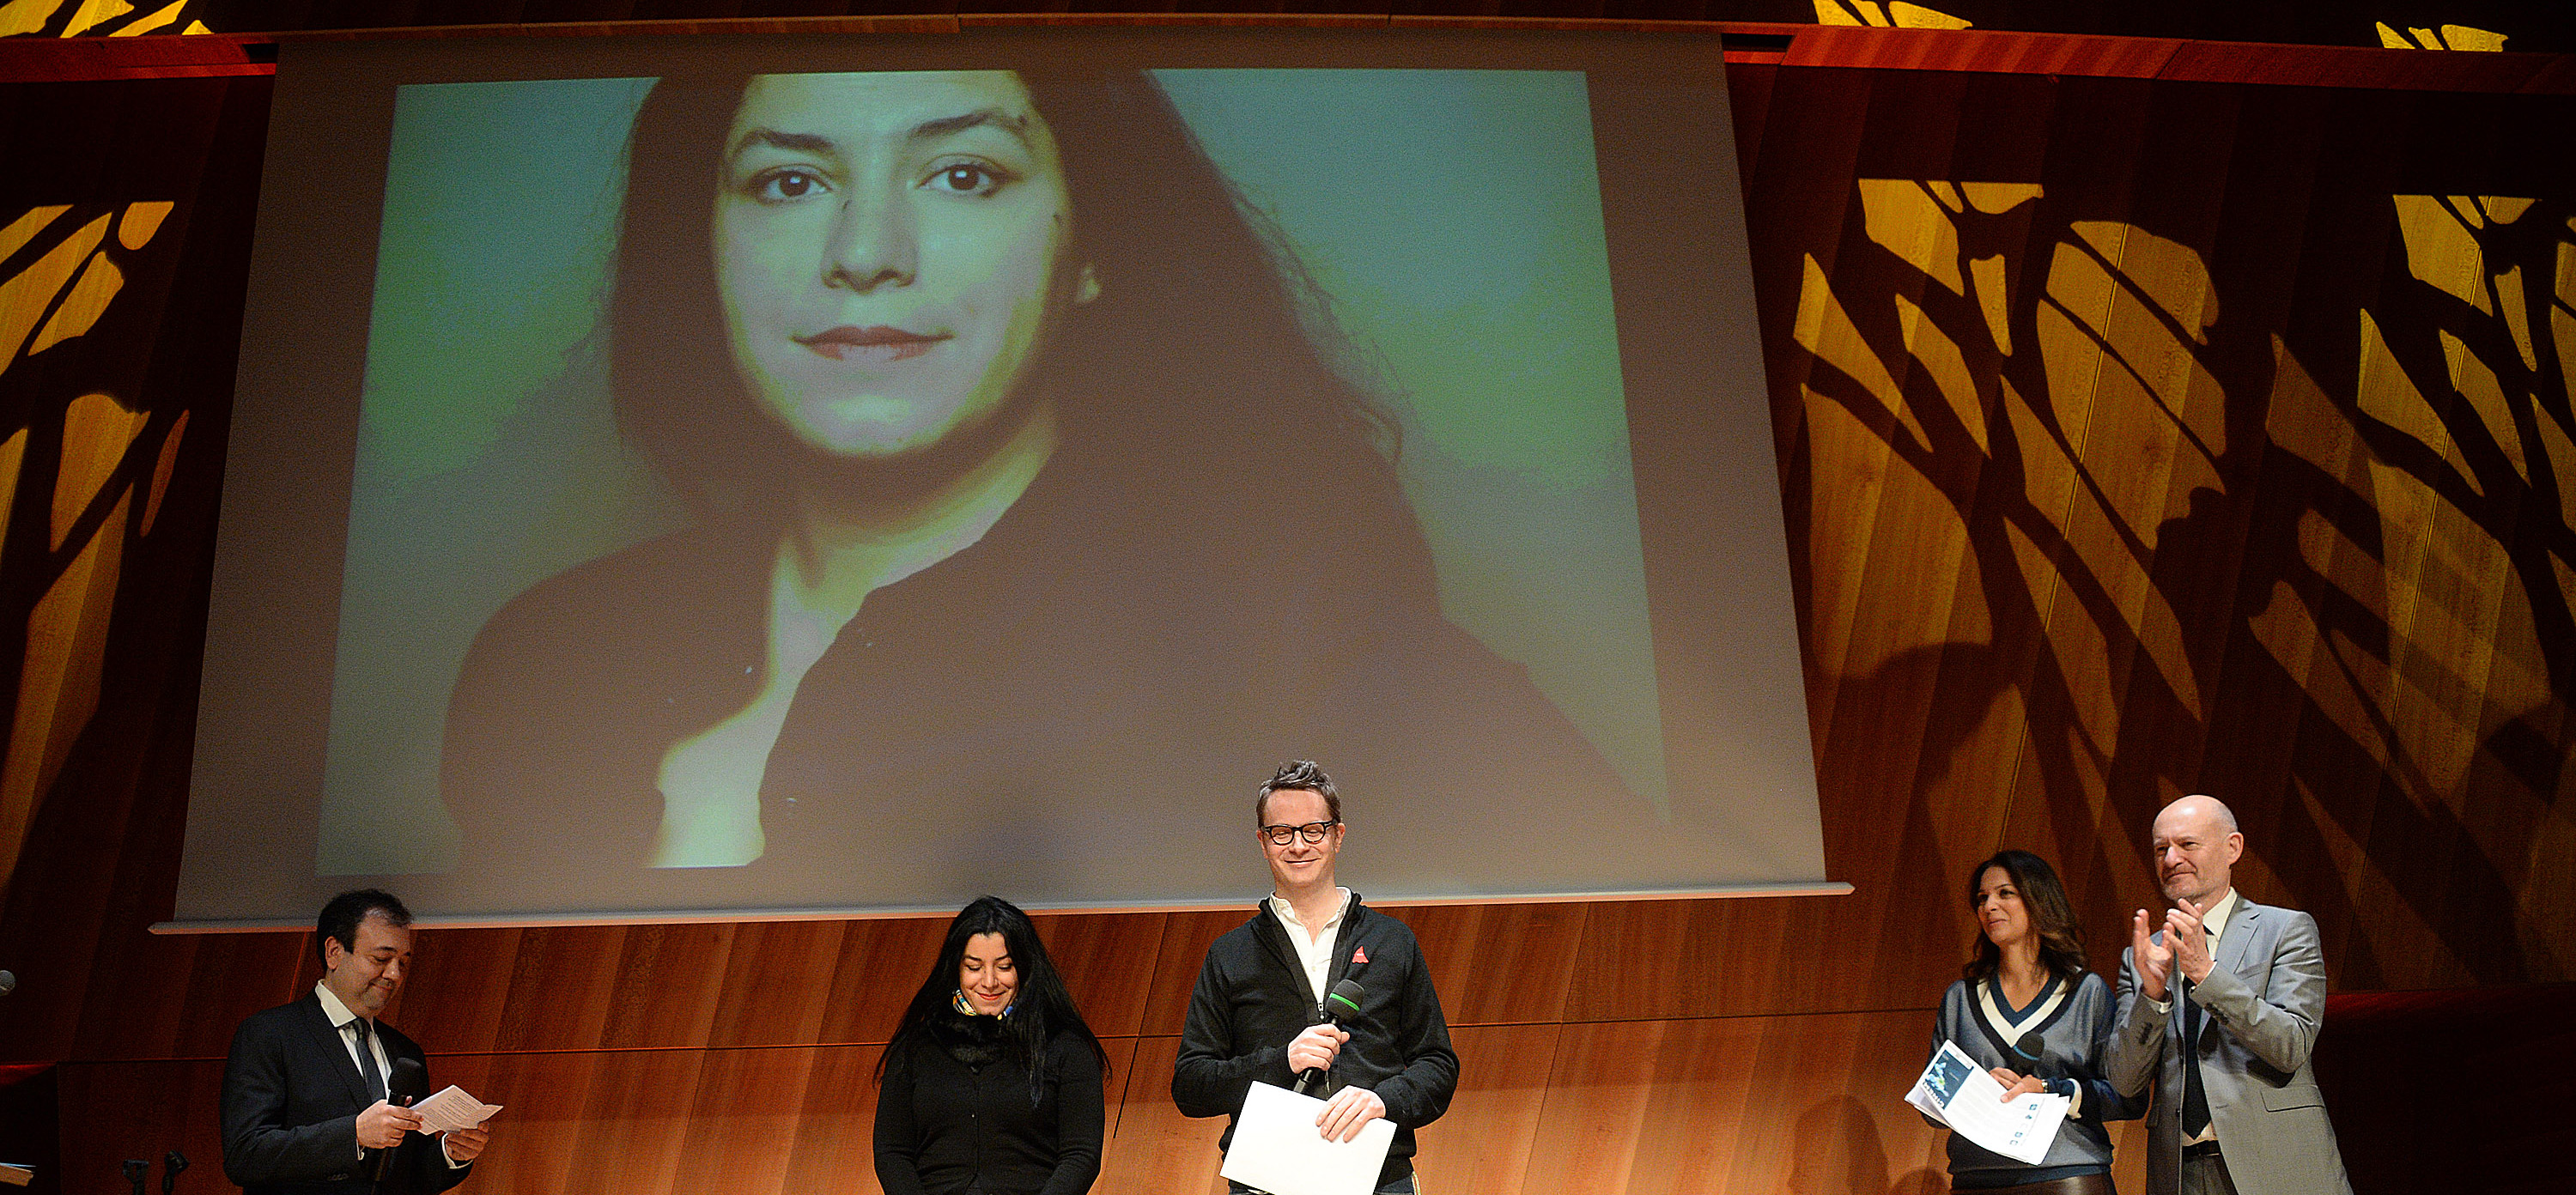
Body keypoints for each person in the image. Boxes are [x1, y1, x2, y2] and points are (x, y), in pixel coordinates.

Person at [440, 66, 1668, 909]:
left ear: (1091, 248)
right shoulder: (545, 663)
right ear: (699, 249)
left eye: (964, 175)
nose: (865, 254)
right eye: (788, 181)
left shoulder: (1311, 660)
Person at [1172, 761, 1457, 1194]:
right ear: (1263, 843)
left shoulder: (1392, 942)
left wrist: (1383, 1101)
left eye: (1314, 830)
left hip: (1379, 1179)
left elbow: (1437, 1065)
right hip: (1267, 1181)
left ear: (1338, 836)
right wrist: (1279, 1061)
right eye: (1281, 832)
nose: (1298, 845)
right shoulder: (1229, 954)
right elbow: (1191, 1086)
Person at [2107, 795, 2352, 1195]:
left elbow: (2291, 1044)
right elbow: (2124, 1081)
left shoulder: (2285, 930)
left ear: (2232, 848)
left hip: (2276, 1165)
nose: (2171, 859)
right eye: (2161, 850)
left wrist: (2206, 974)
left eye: (2187, 845)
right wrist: (2152, 998)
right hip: (2181, 1172)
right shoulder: (2142, 956)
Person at [219, 889, 490, 1194]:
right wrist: (354, 1135)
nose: (394, 974)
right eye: (381, 958)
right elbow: (246, 1154)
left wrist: (450, 1153)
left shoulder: (405, 1052)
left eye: (402, 962)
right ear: (334, 952)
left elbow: (408, 1175)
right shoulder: (271, 1034)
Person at [1927, 850, 2143, 1193]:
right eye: (1982, 898)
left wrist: (2049, 1090)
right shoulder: (1960, 999)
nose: (1989, 906)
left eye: (2005, 893)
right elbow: (1931, 1106)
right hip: (1976, 1178)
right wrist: (1976, 1088)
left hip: (2066, 1176)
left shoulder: (2086, 993)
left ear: (2039, 901)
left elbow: (2126, 1098)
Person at [874, 895, 1107, 1195]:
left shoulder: (1066, 1048)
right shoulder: (916, 1049)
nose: (989, 982)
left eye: (1004, 966)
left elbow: (1081, 1156)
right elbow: (892, 1152)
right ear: (956, 969)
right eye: (974, 967)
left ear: (1024, 967)